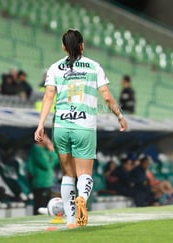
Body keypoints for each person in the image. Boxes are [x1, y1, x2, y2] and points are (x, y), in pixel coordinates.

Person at [34, 29, 127, 228]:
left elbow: (48, 96)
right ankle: (82, 198)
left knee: (68, 174)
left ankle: (71, 220)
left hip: (61, 126)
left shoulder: (55, 68)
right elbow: (107, 96)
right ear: (82, 45)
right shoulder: (94, 67)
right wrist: (119, 116)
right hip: (84, 126)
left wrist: (41, 125)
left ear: (63, 47)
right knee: (84, 174)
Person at [27, 135, 58, 215]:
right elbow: (47, 166)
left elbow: (56, 161)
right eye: (46, 137)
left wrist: (52, 151)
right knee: (40, 207)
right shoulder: (36, 149)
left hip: (47, 182)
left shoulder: (45, 150)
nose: (48, 140)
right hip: (40, 183)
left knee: (45, 207)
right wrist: (52, 152)